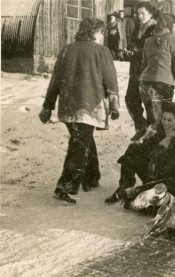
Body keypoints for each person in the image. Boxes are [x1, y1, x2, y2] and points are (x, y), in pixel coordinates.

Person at [39, 17, 119, 204]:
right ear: (95, 32)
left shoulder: (67, 50)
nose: (103, 36)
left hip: (68, 107)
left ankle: (92, 176)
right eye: (101, 32)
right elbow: (111, 82)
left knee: (82, 139)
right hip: (89, 107)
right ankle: (65, 186)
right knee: (79, 145)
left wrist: (48, 107)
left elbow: (55, 82)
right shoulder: (101, 51)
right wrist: (114, 105)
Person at [105, 102, 175, 204]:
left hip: (168, 180)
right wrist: (145, 138)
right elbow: (143, 149)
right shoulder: (162, 133)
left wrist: (155, 159)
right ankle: (124, 186)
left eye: (170, 120)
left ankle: (141, 191)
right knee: (134, 148)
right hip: (155, 172)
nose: (165, 123)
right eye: (164, 119)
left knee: (134, 203)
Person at [139, 14, 175, 126]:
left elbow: (143, 65)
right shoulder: (174, 41)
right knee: (163, 120)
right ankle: (159, 142)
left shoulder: (148, 41)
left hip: (144, 84)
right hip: (163, 84)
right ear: (170, 25)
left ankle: (149, 141)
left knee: (151, 118)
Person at [125, 1, 158, 132]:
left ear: (150, 14)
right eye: (138, 13)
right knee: (131, 100)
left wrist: (136, 52)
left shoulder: (154, 28)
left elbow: (151, 50)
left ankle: (150, 132)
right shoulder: (139, 27)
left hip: (148, 72)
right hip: (136, 70)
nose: (139, 16)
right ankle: (142, 127)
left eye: (142, 13)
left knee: (149, 103)